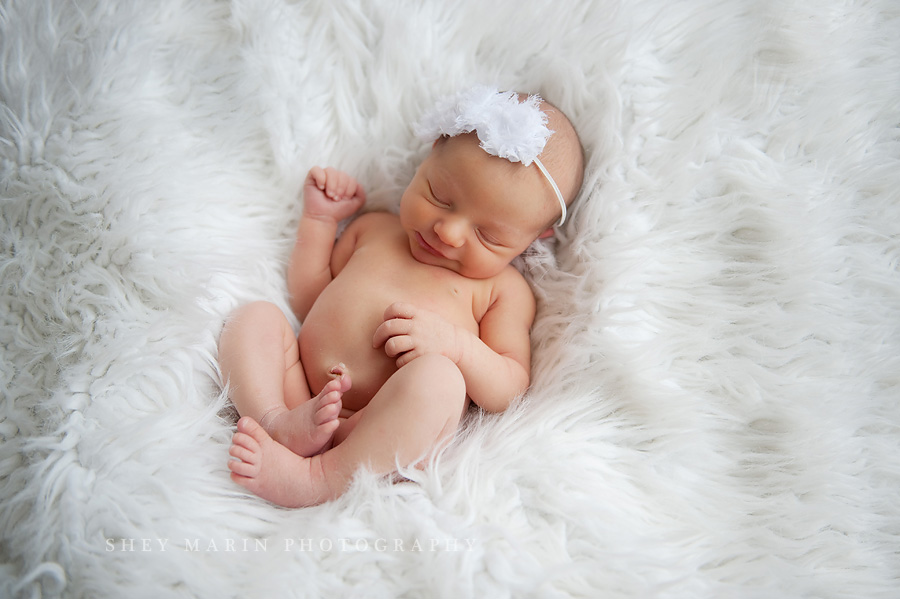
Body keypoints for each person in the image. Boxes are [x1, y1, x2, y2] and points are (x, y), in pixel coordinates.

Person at [219, 86, 584, 507]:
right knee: (256, 318)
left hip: (381, 430)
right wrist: (319, 220)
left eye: (488, 235)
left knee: (440, 382)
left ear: (533, 239)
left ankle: (318, 477)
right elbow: (309, 298)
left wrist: (455, 346)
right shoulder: (375, 229)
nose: (447, 232)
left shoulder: (502, 291)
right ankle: (275, 422)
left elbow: (509, 387)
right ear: (430, 154)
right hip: (302, 392)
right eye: (439, 198)